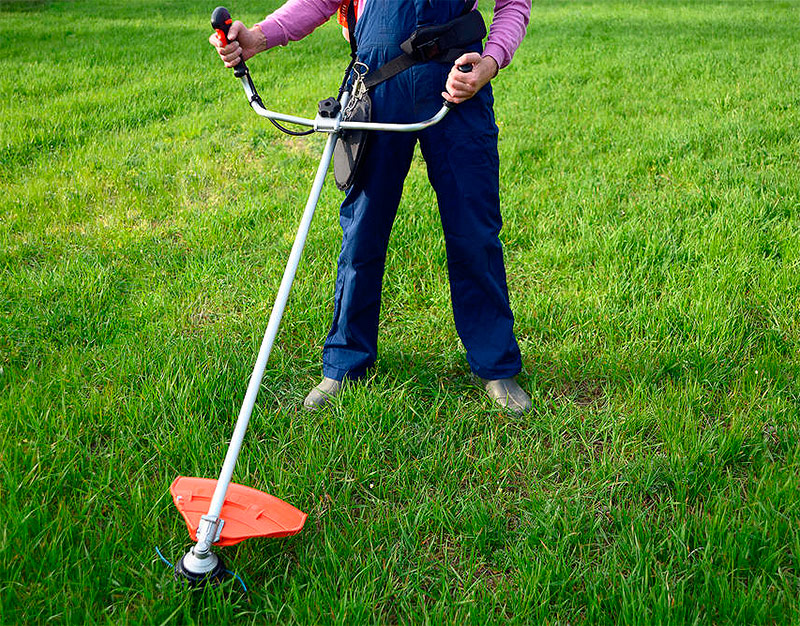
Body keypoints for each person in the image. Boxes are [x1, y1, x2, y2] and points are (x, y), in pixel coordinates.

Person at [210, 0, 532, 414]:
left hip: (458, 79)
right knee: (361, 230)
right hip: (376, 85)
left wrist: (489, 63)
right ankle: (345, 363)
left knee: (475, 231)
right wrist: (258, 36)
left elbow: (513, 5)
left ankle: (495, 365)